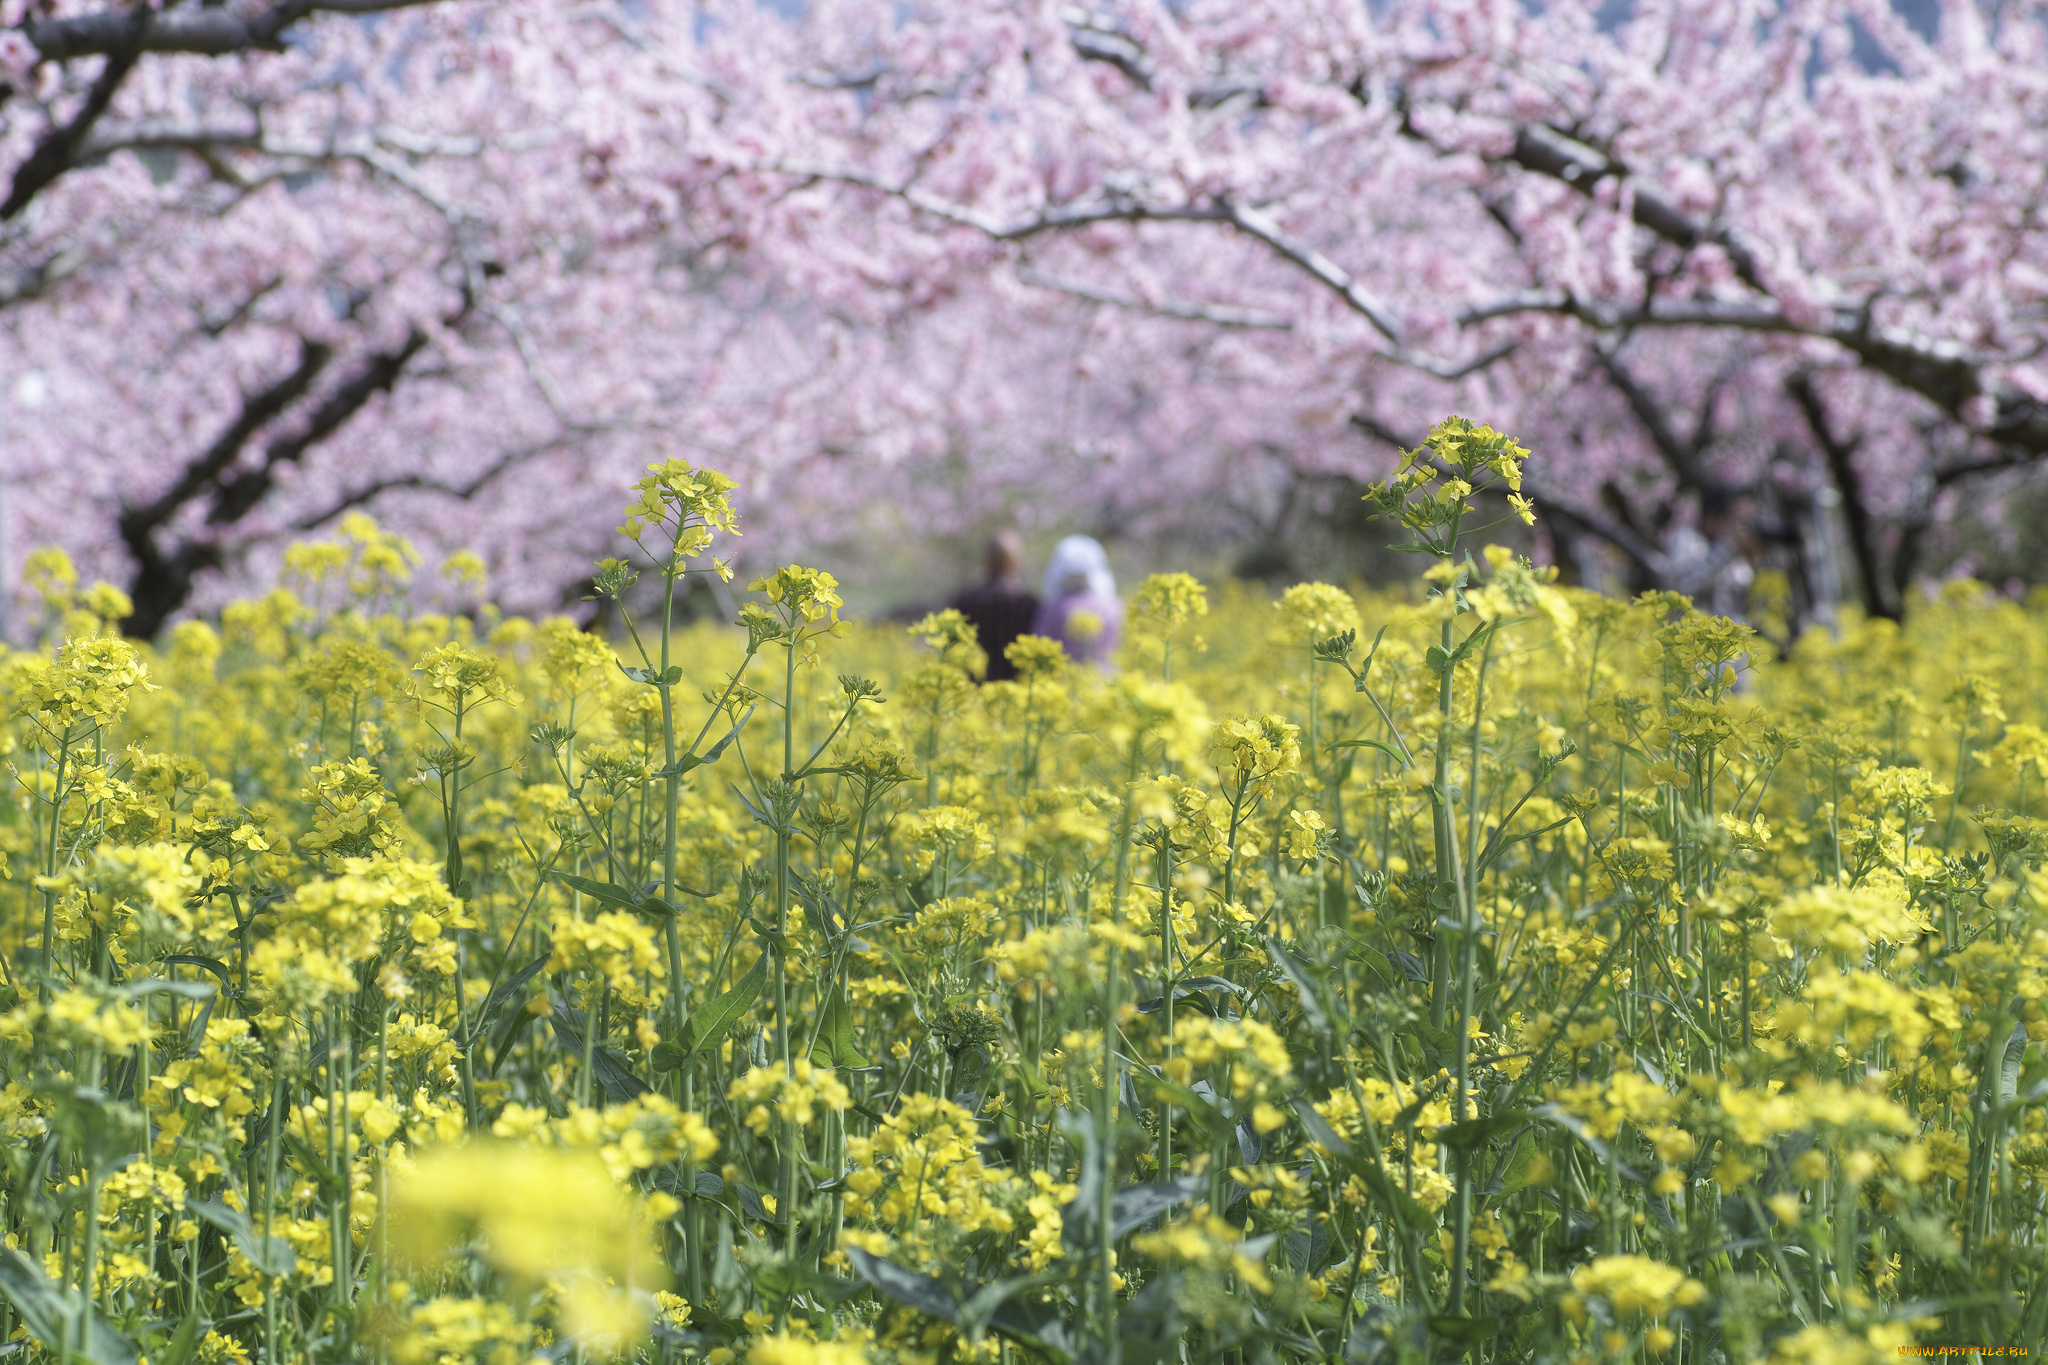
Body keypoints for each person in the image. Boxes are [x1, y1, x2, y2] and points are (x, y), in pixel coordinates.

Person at [951, 531, 1039, 681]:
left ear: (987, 559)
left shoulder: (965, 600)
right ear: (1015, 561)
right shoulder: (1029, 603)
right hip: (1018, 691)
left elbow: (953, 649)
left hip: (973, 689)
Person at [1033, 534, 1122, 670]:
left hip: (1062, 686)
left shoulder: (1054, 608)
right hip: (1109, 684)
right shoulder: (1114, 605)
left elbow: (1039, 646)